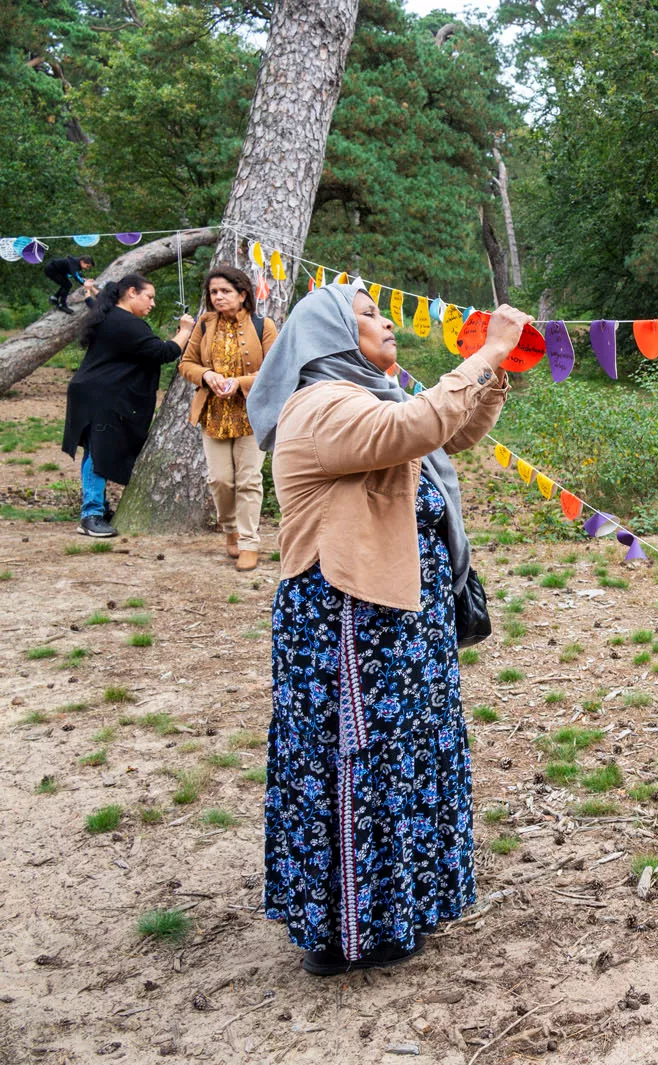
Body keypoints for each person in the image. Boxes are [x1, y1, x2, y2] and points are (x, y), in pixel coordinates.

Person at [247, 284, 523, 975]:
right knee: (353, 764)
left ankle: (399, 909)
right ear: (330, 336)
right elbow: (417, 427)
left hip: (401, 615)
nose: (387, 321)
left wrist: (493, 369)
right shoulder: (318, 408)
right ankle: (345, 933)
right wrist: (485, 352)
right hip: (349, 618)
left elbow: (450, 429)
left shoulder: (374, 397)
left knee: (407, 759)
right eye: (368, 315)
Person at [61, 275, 195, 537]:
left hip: (96, 392)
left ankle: (99, 506)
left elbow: (146, 349)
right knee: (97, 452)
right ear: (132, 292)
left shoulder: (112, 317)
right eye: (149, 296)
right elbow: (162, 352)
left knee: (100, 449)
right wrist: (185, 331)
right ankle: (91, 515)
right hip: (100, 395)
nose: (152, 303)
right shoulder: (123, 322)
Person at [178, 265, 278, 571]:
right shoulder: (205, 324)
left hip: (251, 414)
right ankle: (230, 529)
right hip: (214, 414)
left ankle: (249, 543)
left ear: (242, 294)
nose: (218, 297)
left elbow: (276, 370)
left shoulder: (264, 326)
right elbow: (186, 364)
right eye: (213, 292)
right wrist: (206, 375)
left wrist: (240, 382)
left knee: (249, 480)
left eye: (225, 291)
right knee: (220, 480)